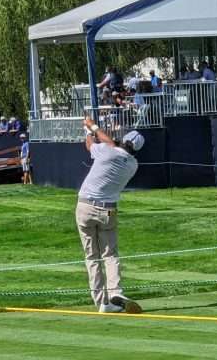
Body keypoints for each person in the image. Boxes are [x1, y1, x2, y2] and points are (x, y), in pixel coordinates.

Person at [78, 116, 145, 314]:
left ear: (123, 141)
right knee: (110, 254)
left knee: (92, 256)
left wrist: (89, 129)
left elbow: (91, 144)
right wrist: (93, 126)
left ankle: (101, 303)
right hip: (108, 210)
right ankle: (116, 292)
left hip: (84, 207)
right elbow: (109, 144)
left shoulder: (106, 151)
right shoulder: (133, 165)